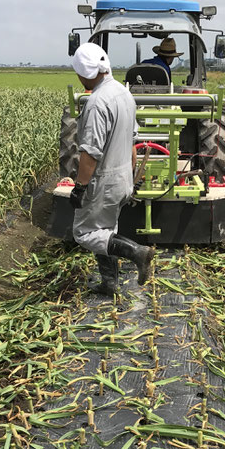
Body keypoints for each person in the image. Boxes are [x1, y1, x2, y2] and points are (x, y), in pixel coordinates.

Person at [69, 42, 154, 296]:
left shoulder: (97, 103)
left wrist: (80, 187)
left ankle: (137, 252)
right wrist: (131, 175)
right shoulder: (123, 93)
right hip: (122, 178)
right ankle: (110, 283)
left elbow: (90, 154)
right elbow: (132, 143)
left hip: (103, 182)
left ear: (86, 72)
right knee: (106, 230)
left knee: (84, 233)